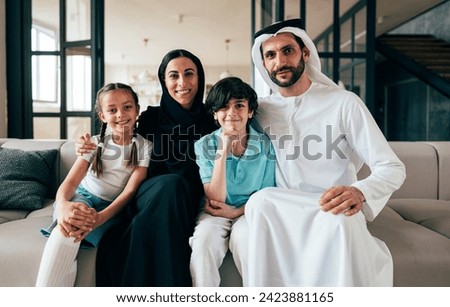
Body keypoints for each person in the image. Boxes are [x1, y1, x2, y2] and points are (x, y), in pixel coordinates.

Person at [241, 19, 407, 286]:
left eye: (287, 51)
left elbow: (391, 167)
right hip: (283, 206)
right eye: (270, 55)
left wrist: (359, 192)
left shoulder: (344, 102)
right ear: (263, 63)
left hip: (331, 206)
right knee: (260, 201)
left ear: (305, 53)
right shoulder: (258, 110)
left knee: (340, 224)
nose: (279, 61)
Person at [76, 49, 217, 286]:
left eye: (189, 74)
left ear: (199, 78)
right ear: (164, 81)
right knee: (171, 184)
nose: (182, 82)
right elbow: (119, 135)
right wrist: (86, 145)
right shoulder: (151, 118)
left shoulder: (212, 120)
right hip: (150, 194)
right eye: (173, 76)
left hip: (191, 200)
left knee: (156, 211)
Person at [36, 83, 151, 286]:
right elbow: (70, 182)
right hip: (83, 197)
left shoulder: (144, 147)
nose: (121, 114)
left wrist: (99, 218)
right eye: (112, 110)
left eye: (127, 107)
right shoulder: (94, 143)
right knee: (67, 228)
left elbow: (130, 191)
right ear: (102, 116)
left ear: (137, 110)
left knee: (73, 230)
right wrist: (62, 205)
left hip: (110, 208)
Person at [189, 77, 275, 286]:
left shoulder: (266, 145)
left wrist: (236, 212)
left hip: (249, 211)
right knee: (203, 244)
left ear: (250, 111)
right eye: (224, 107)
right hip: (214, 212)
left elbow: (266, 194)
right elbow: (215, 198)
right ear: (215, 114)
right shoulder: (204, 145)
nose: (232, 113)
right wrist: (222, 151)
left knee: (247, 242)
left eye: (239, 105)